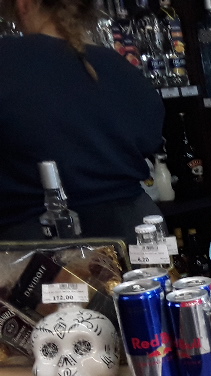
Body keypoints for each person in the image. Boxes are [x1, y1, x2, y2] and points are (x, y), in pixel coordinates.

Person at [0, 0, 165, 242]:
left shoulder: (7, 60)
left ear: (24, 4)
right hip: (134, 231)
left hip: (37, 241)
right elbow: (150, 138)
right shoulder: (118, 65)